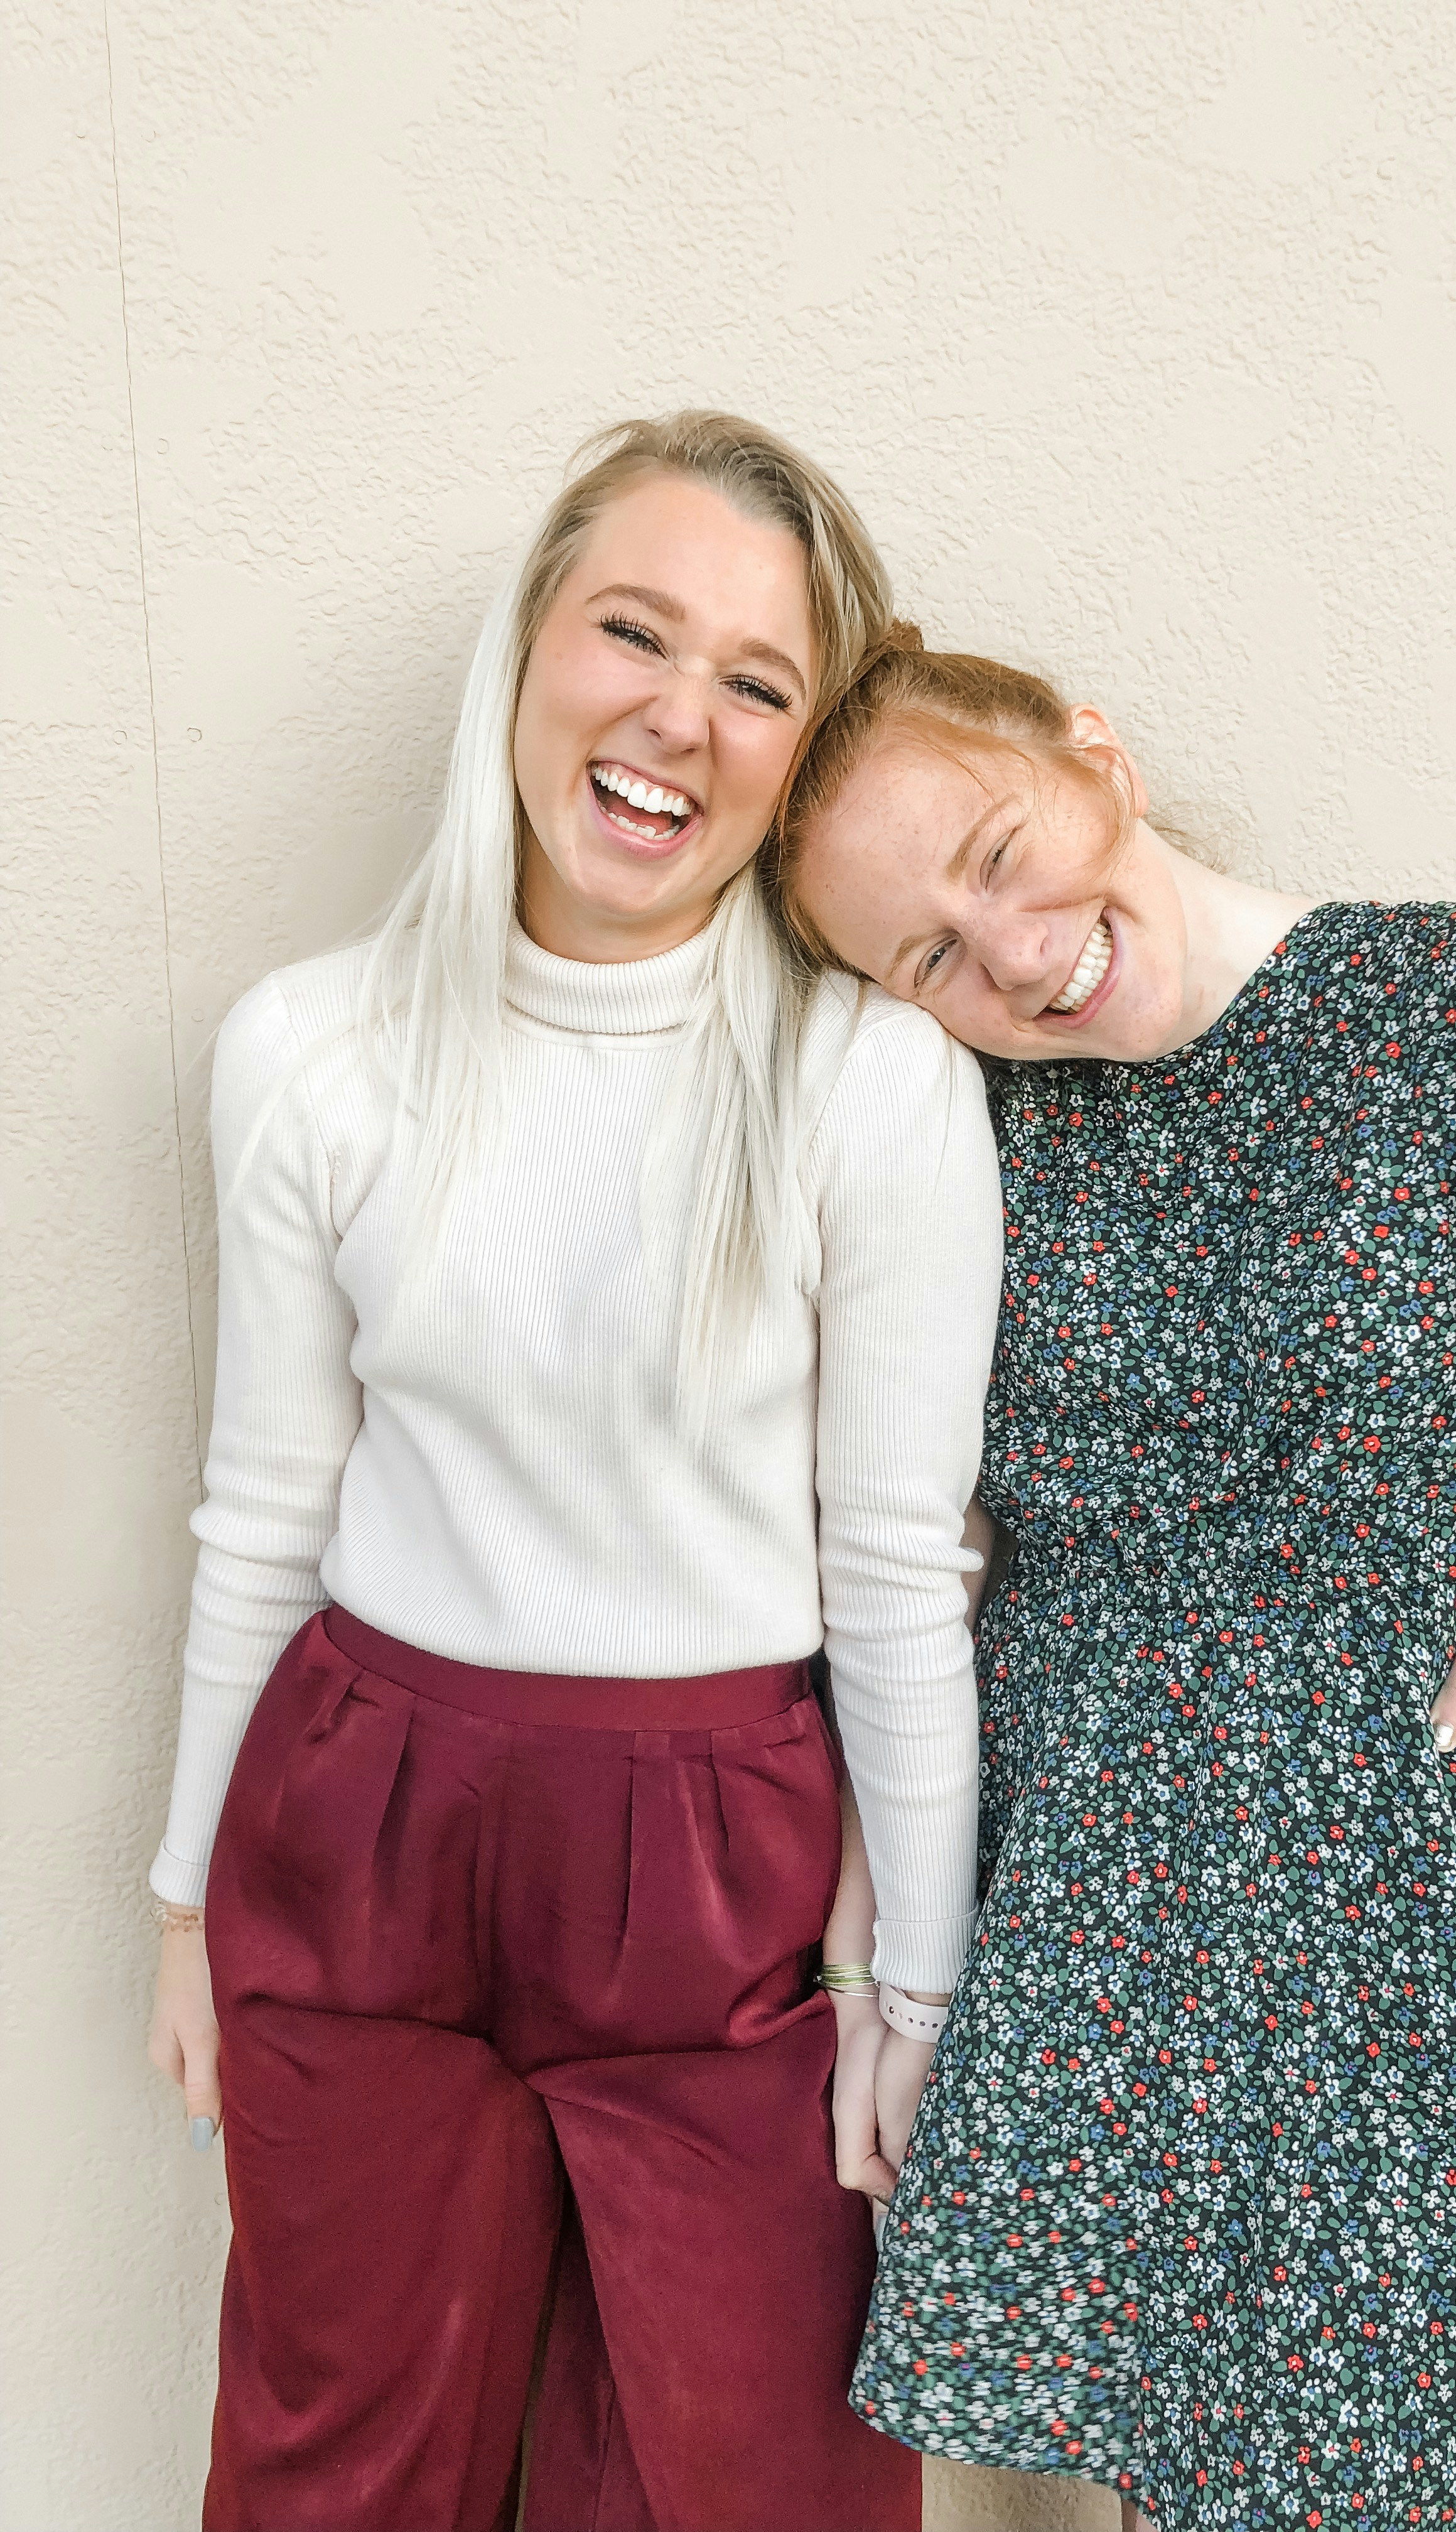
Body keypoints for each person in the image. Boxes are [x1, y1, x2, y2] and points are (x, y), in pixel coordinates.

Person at [770, 632, 1456, 2531]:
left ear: (1090, 747)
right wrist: (886, 1959)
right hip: (1077, 1908)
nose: (1017, 954)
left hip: (1374, 1899)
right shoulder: (948, 1116)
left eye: (995, 854)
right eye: (932, 957)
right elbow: (925, 1562)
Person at [144, 420, 1003, 2532]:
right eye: (636, 629)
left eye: (758, 680)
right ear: (531, 648)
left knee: (745, 2482)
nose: (673, 718)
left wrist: (923, 1991)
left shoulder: (869, 1088)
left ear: (801, 760)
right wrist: (186, 1899)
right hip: (358, 1824)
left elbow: (895, 1568)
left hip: (719, 1867)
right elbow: (264, 1502)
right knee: (337, 2467)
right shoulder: (310, 1054)